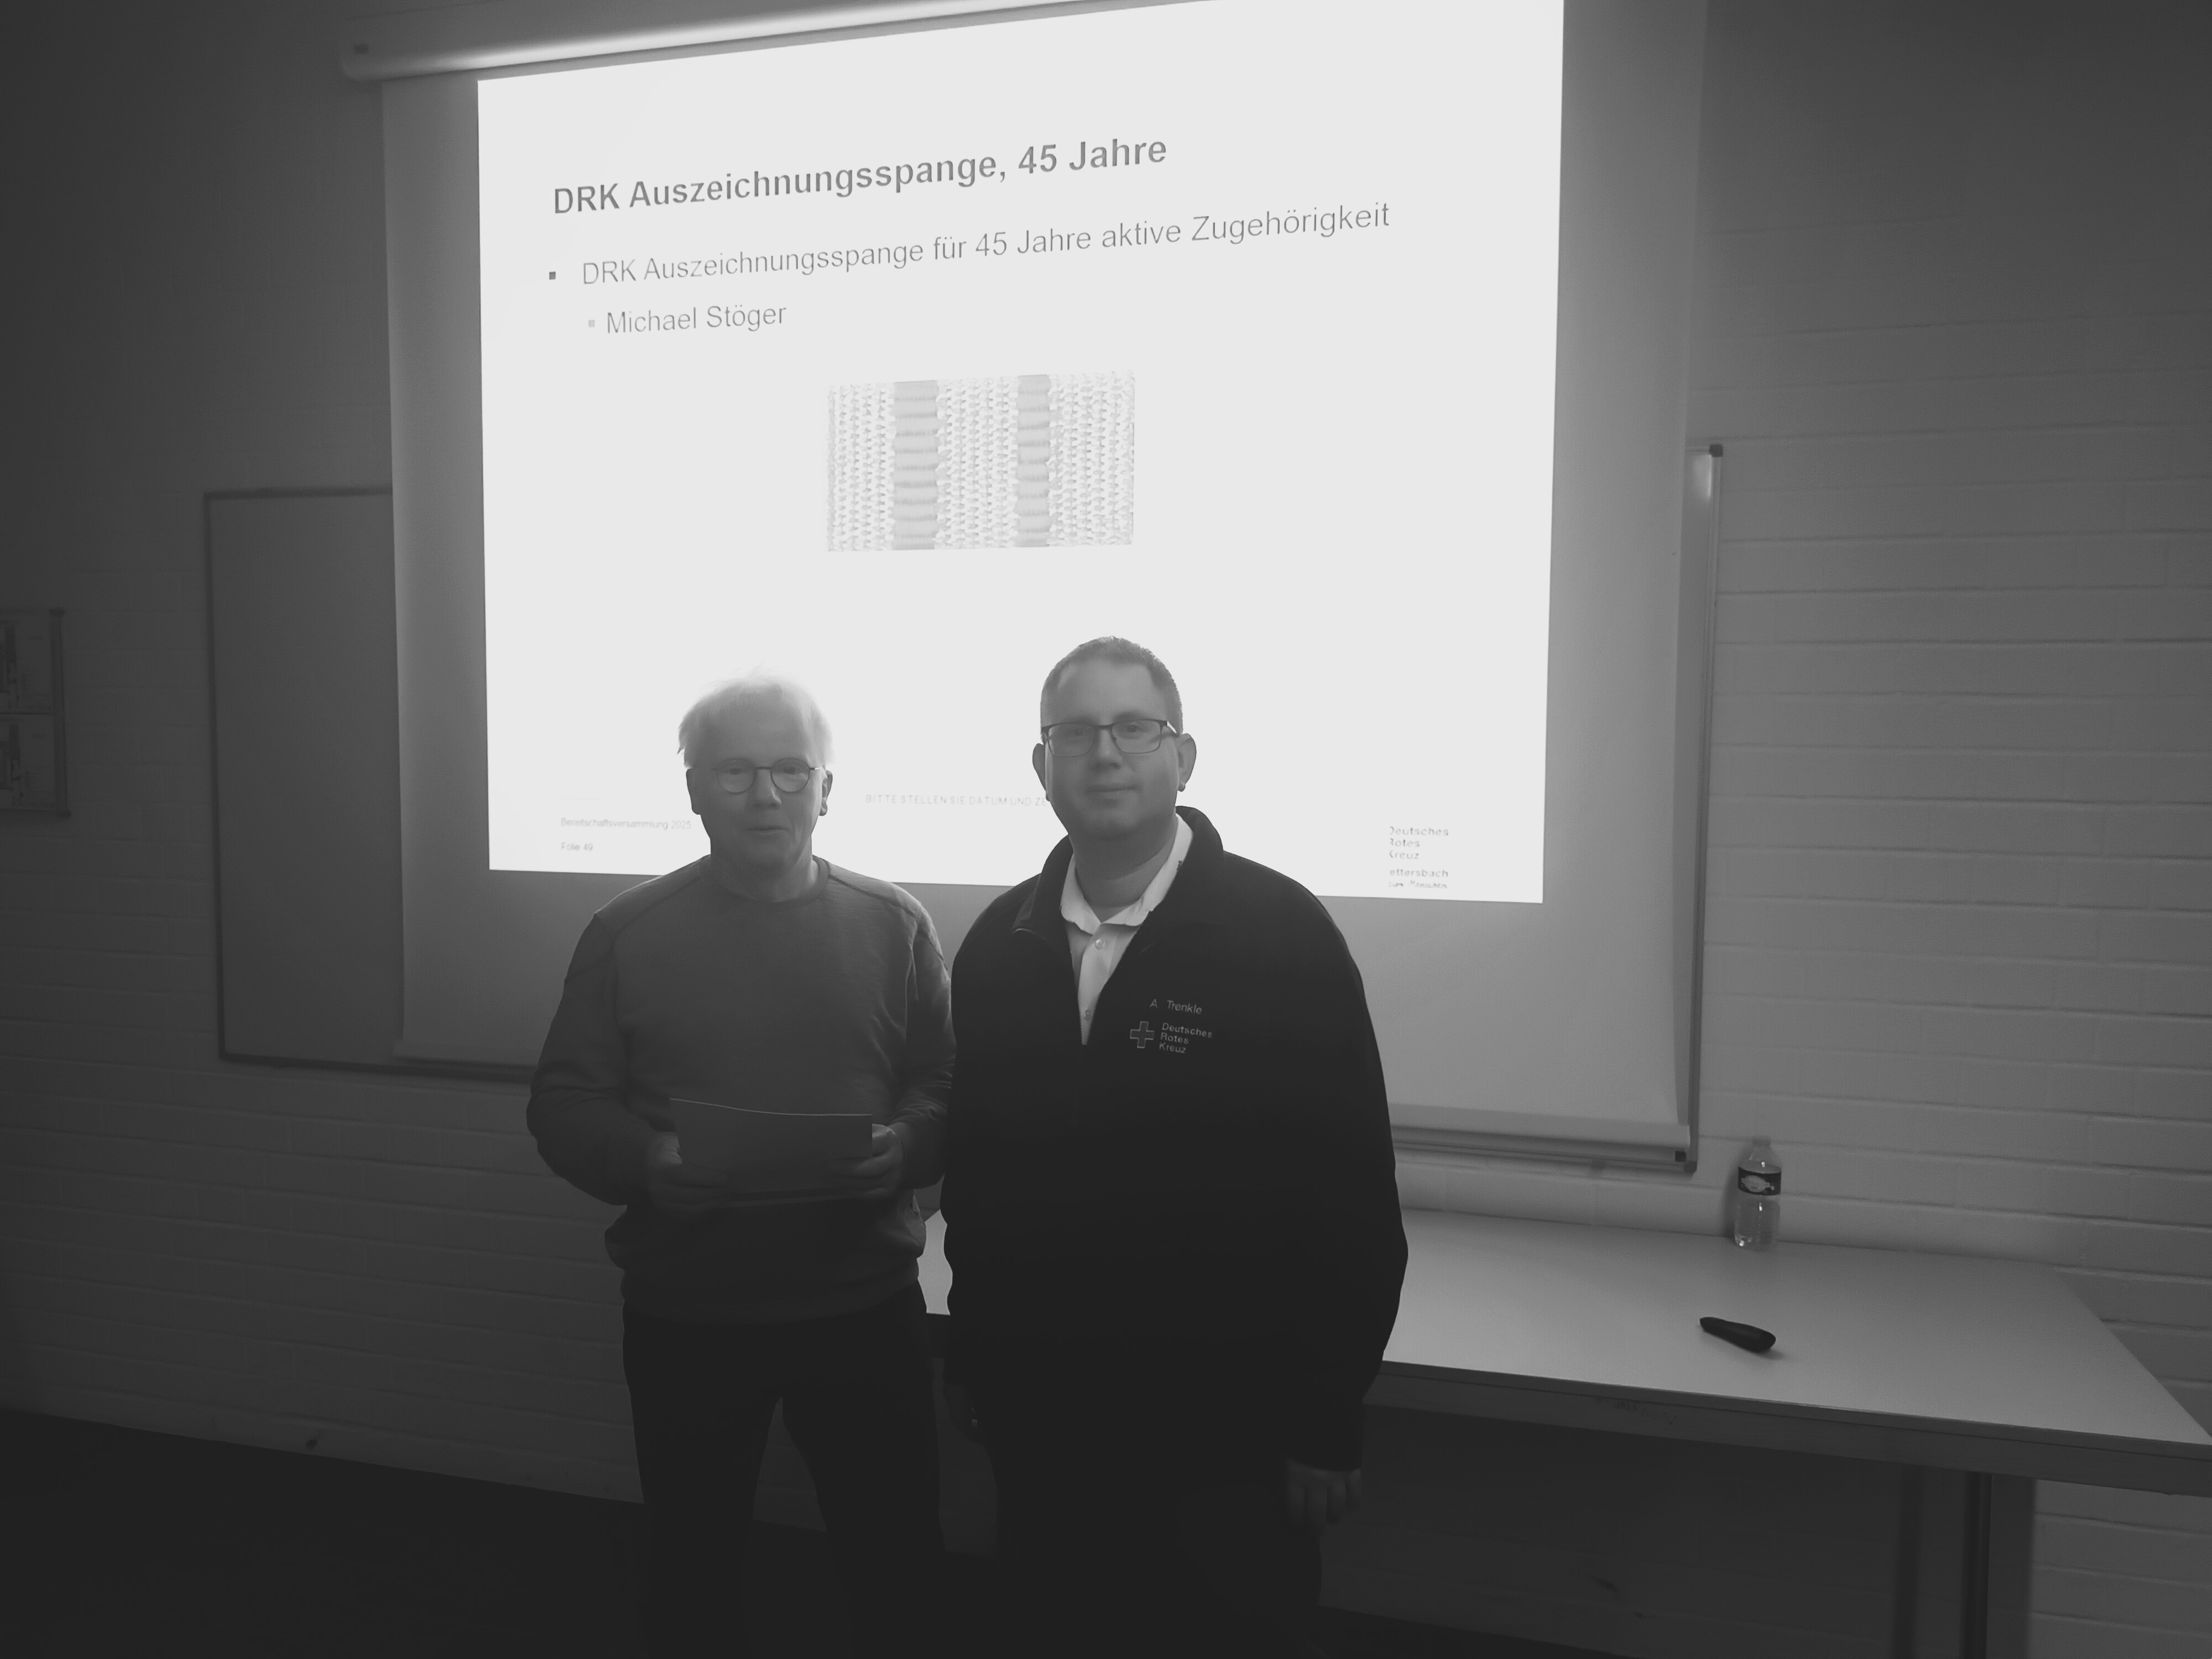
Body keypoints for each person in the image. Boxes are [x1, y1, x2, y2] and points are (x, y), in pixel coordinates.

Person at [940, 637, 1407, 1657]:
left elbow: (1349, 1197)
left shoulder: (1282, 934)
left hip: (1228, 1434)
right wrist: (973, 1357)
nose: (1105, 753)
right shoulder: (996, 946)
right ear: (1042, 767)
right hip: (1044, 1416)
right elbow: (978, 1184)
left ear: (1183, 758)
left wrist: (1324, 1419)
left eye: (1134, 728)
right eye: (1075, 733)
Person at [526, 675, 953, 1658]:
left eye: (791, 770)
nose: (766, 794)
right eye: (735, 771)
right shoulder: (626, 933)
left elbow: (940, 1081)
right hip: (691, 1315)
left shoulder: (895, 923)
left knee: (896, 1558)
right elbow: (563, 1103)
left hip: (863, 1309)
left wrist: (908, 1147)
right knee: (693, 1563)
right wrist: (645, 1160)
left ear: (828, 789)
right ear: (693, 791)